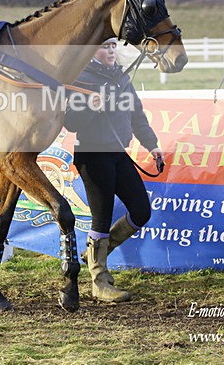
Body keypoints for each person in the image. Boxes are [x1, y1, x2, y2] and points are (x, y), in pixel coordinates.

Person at [64, 37, 164, 302]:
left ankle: (96, 254)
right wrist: (91, 106)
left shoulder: (121, 77)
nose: (110, 51)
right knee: (102, 218)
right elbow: (71, 121)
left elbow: (137, 116)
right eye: (103, 46)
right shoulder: (80, 79)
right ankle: (99, 281)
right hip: (92, 155)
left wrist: (153, 146)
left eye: (112, 46)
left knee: (141, 211)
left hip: (119, 154)